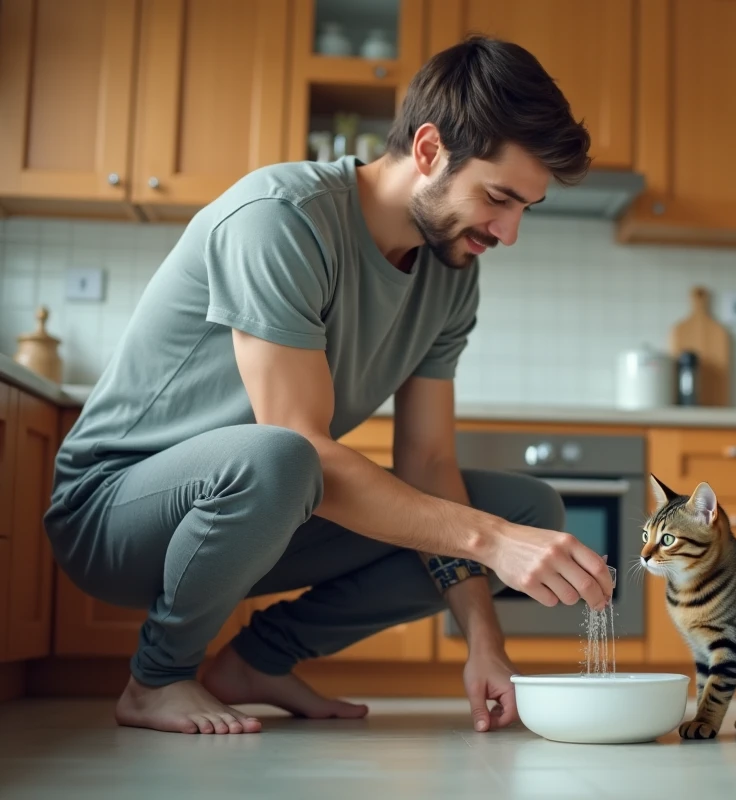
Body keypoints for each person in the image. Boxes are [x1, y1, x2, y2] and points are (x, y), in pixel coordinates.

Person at [42, 35, 612, 736]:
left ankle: (257, 663)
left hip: (260, 508)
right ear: (429, 150)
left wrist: (487, 644)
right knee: (284, 457)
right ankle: (156, 680)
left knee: (526, 509)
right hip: (114, 513)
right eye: (499, 197)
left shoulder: (451, 275)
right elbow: (296, 443)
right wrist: (491, 545)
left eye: (527, 207)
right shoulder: (281, 218)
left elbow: (429, 465)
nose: (510, 231)